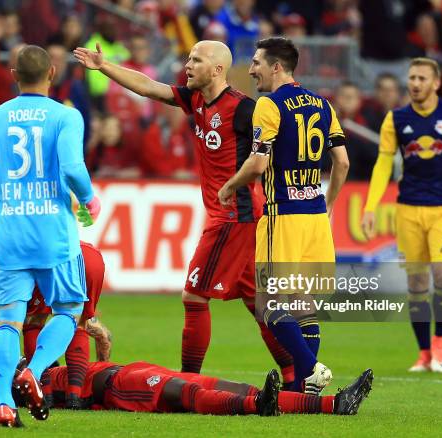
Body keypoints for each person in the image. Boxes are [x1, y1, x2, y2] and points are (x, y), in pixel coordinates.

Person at [74, 40, 296, 387]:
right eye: (188, 58)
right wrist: (104, 67)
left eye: (196, 60)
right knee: (259, 304)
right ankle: (296, 372)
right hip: (238, 220)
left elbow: (271, 150)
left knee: (194, 295)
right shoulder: (195, 100)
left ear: (218, 69)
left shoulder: (243, 109)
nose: (187, 65)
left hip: (233, 217)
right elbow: (149, 87)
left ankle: (187, 381)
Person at [0, 45, 101, 427]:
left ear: (13, 75)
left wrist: (7, 185)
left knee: (7, 319)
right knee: (69, 309)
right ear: (53, 73)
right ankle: (36, 368)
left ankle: (5, 402)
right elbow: (73, 167)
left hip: (11, 234)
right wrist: (90, 198)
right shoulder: (65, 116)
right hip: (54, 234)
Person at [218, 37, 350, 394]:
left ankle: (311, 368)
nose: (250, 70)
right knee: (302, 303)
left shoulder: (269, 105)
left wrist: (231, 184)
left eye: (257, 63)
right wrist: (329, 204)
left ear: (276, 67)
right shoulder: (323, 105)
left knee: (268, 305)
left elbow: (258, 164)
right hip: (314, 217)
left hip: (283, 216)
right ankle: (300, 389)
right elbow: (342, 161)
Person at [361, 57, 442, 373]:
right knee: (417, 285)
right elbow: (383, 164)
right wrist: (370, 206)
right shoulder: (395, 118)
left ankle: (440, 342)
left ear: (436, 83)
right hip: (408, 209)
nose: (415, 83)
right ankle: (422, 353)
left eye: (421, 78)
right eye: (412, 78)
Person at [0, 359, 373, 417]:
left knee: (231, 383)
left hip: (131, 369)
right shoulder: (44, 391)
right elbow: (78, 395)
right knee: (186, 394)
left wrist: (102, 345)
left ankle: (336, 405)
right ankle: (255, 408)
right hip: (121, 386)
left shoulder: (50, 372)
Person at [22, 241, 107, 410]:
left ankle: (43, 395)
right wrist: (103, 363)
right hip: (91, 258)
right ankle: (74, 397)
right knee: (79, 323)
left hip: (50, 257)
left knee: (33, 322)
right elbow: (103, 335)